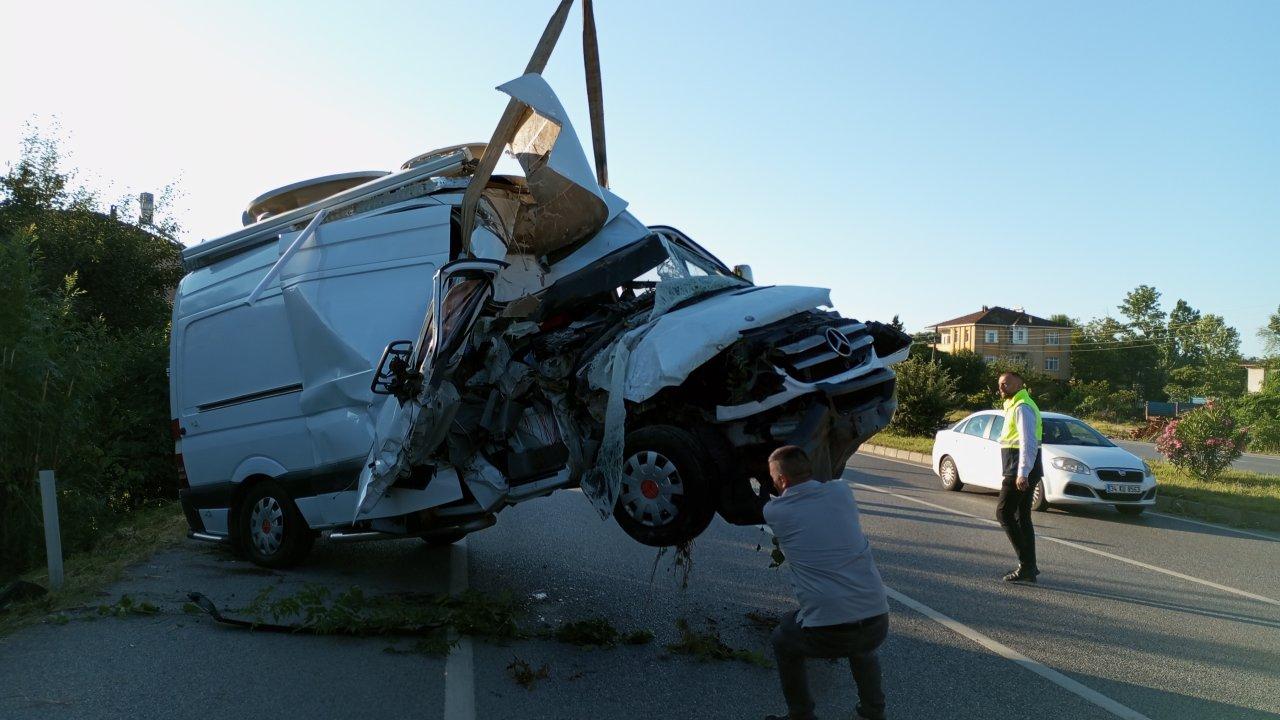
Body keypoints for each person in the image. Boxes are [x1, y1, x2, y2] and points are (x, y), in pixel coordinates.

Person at [763, 445, 890, 720]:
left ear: (781, 481)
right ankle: (874, 710)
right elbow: (823, 481)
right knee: (862, 645)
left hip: (830, 633)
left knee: (782, 638)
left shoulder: (776, 513)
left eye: (774, 478)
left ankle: (801, 714)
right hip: (878, 619)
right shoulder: (842, 492)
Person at [996, 370, 1043, 583]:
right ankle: (1029, 567)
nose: (1002, 387)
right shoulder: (1016, 405)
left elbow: (1028, 442)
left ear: (1019, 384)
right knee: (1021, 517)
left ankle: (1027, 565)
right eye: (1000, 384)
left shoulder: (1022, 406)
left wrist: (1022, 472)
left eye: (1006, 383)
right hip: (1021, 468)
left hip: (1019, 470)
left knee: (1004, 513)